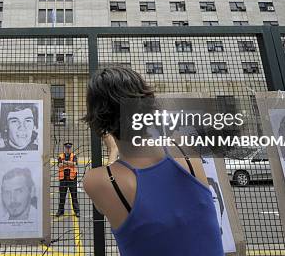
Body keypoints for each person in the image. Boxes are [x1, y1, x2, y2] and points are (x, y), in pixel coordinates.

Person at [82, 67, 223, 256]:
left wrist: (113, 150)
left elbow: (104, 203)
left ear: (99, 122)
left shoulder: (97, 181)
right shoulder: (185, 148)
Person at [56, 142, 80, 217]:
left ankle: (77, 211)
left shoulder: (74, 155)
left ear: (71, 148)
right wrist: (69, 163)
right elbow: (59, 165)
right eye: (67, 148)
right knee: (62, 196)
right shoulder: (60, 156)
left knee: (74, 196)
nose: (68, 149)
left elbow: (75, 164)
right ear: (65, 148)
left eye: (69, 148)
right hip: (63, 179)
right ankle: (60, 211)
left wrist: (65, 162)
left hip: (72, 179)